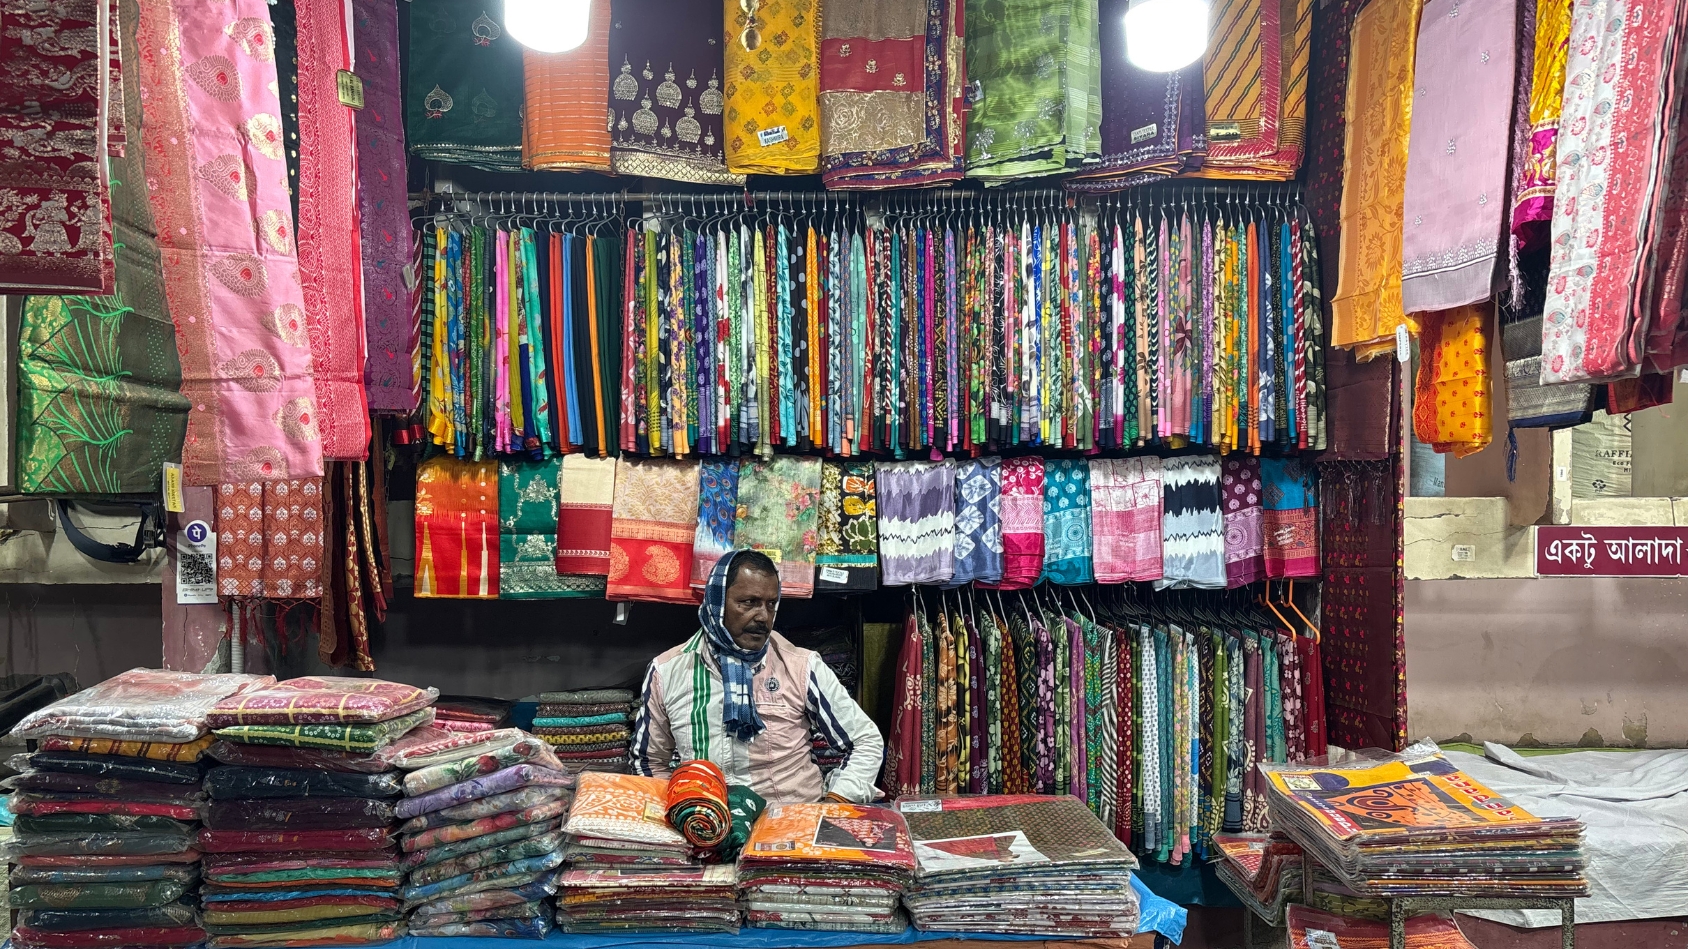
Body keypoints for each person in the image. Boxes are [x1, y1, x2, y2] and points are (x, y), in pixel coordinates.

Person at [630, 549, 884, 805]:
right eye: (748, 602)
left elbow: (865, 740)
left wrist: (835, 804)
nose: (763, 616)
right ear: (717, 602)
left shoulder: (801, 666)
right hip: (707, 826)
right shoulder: (668, 671)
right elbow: (648, 762)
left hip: (790, 826)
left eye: (771, 604)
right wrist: (678, 813)